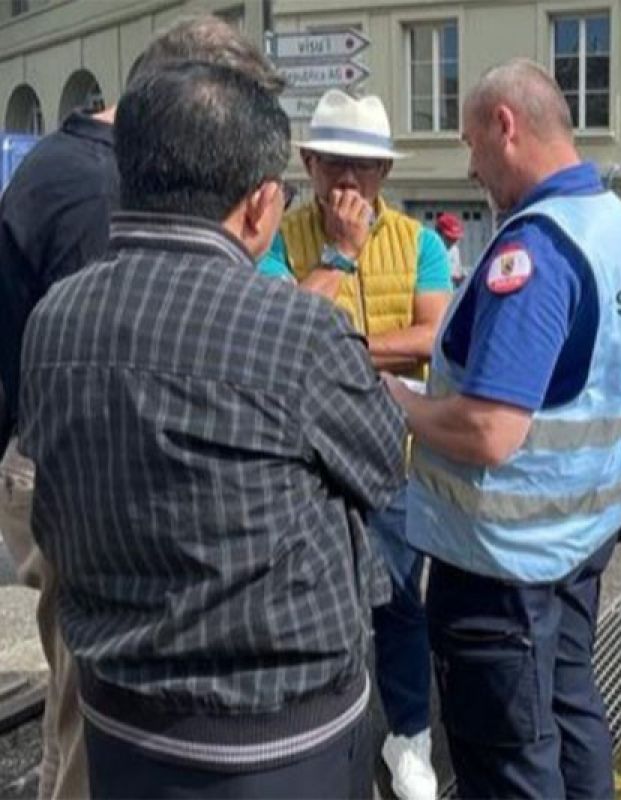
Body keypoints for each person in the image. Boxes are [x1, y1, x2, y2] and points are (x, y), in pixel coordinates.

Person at [19, 61, 406, 799]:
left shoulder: (56, 317)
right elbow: (384, 466)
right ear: (262, 205)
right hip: (276, 735)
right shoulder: (297, 330)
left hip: (117, 713)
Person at [0, 15, 284, 798]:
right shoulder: (112, 193)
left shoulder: (69, 161)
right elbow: (149, 374)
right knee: (102, 717)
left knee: (78, 706)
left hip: (55, 459)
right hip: (86, 472)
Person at [388, 58, 621, 799]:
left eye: (472, 147)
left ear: (506, 126)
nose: (472, 170)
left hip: (503, 568)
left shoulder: (532, 253)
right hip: (580, 540)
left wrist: (398, 400)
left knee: (508, 761)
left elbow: (489, 431)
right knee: (571, 718)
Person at [278, 88, 452, 800]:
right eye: (333, 164)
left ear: (384, 174)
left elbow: (435, 336)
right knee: (307, 611)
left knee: (402, 607)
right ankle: (326, 737)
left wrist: (339, 352)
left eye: (364, 167)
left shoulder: (422, 242)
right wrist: (342, 258)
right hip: (303, 471)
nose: (347, 182)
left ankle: (408, 733)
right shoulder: (278, 236)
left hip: (391, 465)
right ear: (309, 165)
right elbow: (272, 336)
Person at [435, 212, 466, 287]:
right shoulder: (428, 251)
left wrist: (461, 278)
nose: (453, 241)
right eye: (450, 238)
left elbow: (456, 271)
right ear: (439, 234)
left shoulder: (454, 250)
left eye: (455, 238)